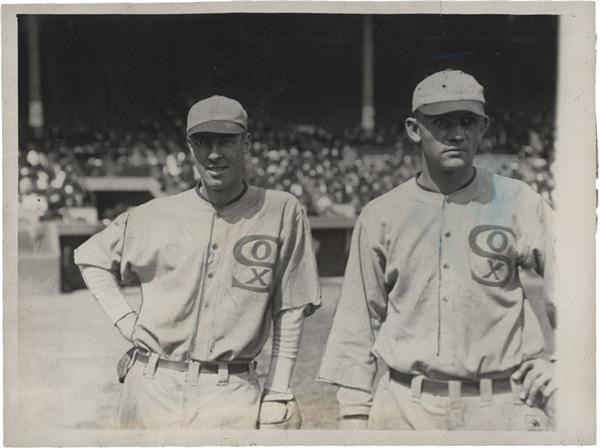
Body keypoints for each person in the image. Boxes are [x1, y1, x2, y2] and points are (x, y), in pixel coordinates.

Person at [318, 69, 557, 430]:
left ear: (483, 127)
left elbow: (582, 275)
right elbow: (358, 321)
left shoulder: (519, 201)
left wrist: (567, 360)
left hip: (501, 406)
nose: (456, 133)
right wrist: (354, 413)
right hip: (404, 407)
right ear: (415, 129)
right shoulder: (382, 214)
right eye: (441, 122)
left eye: (467, 121)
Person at [74, 95, 321, 430]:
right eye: (202, 142)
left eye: (226, 141)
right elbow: (91, 258)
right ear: (189, 146)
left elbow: (291, 305)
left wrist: (278, 390)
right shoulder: (154, 214)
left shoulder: (280, 210)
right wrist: (126, 322)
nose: (214, 154)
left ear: (246, 142)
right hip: (151, 385)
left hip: (231, 389)